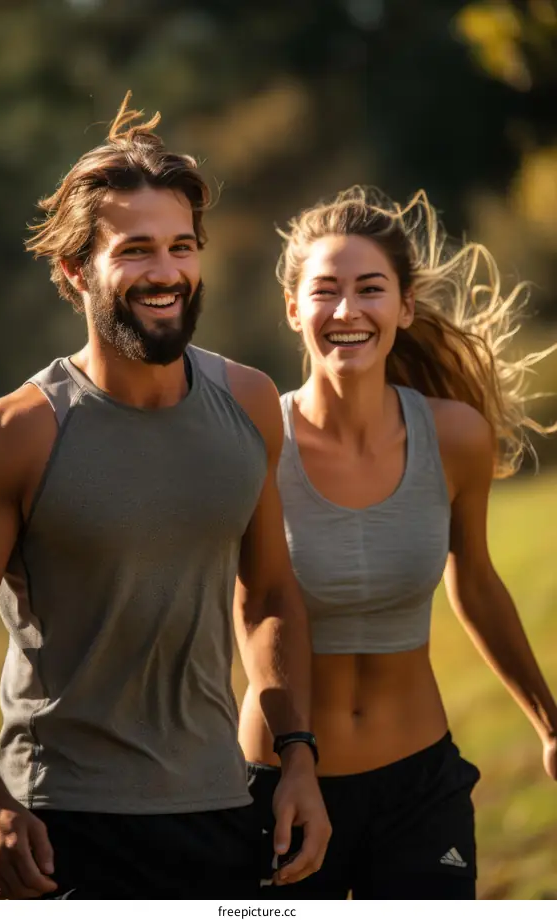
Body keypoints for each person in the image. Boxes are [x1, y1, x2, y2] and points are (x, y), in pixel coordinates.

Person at [0, 94, 331, 900]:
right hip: (57, 828)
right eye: (135, 250)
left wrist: (298, 757)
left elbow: (269, 595)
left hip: (221, 808)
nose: (166, 272)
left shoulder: (250, 403)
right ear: (75, 269)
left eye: (181, 246)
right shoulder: (16, 433)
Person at [239, 185, 557, 899]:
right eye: (325, 291)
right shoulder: (256, 442)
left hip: (419, 786)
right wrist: (294, 762)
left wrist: (550, 722)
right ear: (293, 309)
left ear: (405, 307)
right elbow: (250, 605)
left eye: (371, 289)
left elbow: (475, 581)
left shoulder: (457, 437)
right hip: (281, 785)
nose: (347, 310)